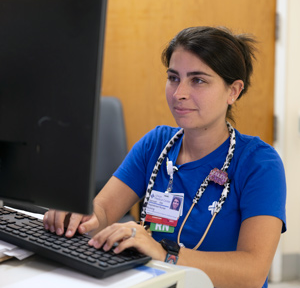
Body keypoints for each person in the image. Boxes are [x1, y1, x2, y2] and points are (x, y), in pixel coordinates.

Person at [43, 26, 286, 288]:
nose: (179, 93)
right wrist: (79, 217)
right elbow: (102, 210)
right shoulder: (157, 144)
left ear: (233, 91)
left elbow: (252, 272)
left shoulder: (259, 163)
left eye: (198, 80)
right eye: (173, 78)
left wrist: (165, 253)